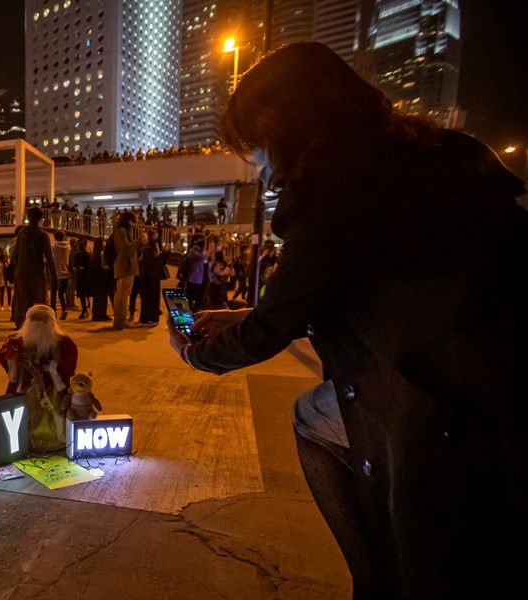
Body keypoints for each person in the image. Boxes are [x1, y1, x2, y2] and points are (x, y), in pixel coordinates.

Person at [167, 42, 527, 599]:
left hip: (446, 399)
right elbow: (375, 293)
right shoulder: (432, 155)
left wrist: (196, 352)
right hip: (501, 371)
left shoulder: (335, 189)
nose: (261, 162)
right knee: (319, 411)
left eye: (259, 144)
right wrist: (249, 312)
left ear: (285, 125)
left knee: (318, 425)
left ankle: (374, 576)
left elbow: (270, 331)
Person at [0, 304, 78, 452]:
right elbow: (3, 356)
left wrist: (53, 368)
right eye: (35, 320)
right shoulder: (17, 340)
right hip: (24, 389)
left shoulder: (63, 342)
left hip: (52, 392)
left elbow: (70, 361)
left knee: (53, 416)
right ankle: (20, 440)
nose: (39, 324)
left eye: (43, 320)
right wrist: (12, 359)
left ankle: (49, 440)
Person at [10, 207, 56, 329]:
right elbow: (49, 258)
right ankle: (42, 327)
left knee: (22, 303)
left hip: (22, 274)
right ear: (41, 219)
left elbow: (15, 254)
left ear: (28, 218)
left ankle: (19, 327)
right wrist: (55, 278)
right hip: (37, 274)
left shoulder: (21, 233)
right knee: (41, 304)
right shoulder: (43, 234)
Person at [111, 212, 141, 330]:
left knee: (120, 294)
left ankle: (118, 321)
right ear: (128, 220)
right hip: (125, 266)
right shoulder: (122, 231)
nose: (134, 224)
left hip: (123, 266)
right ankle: (121, 321)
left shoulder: (120, 231)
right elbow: (127, 248)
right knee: (123, 295)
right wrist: (139, 241)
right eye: (133, 221)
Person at [137, 235, 170, 325]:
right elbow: (154, 262)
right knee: (149, 299)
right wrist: (163, 253)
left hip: (154, 277)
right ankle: (147, 318)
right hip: (148, 278)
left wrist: (166, 253)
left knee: (153, 298)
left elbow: (161, 263)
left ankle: (152, 317)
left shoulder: (154, 248)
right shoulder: (147, 249)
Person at [49, 230, 71, 320]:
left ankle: (53, 312)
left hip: (56, 273)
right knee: (62, 293)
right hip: (65, 273)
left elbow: (51, 258)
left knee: (53, 294)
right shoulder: (68, 247)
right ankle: (64, 309)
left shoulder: (53, 246)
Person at [73, 238, 92, 319]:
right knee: (86, 292)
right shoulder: (89, 254)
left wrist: (78, 268)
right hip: (87, 276)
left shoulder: (76, 255)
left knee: (81, 295)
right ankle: (86, 308)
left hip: (80, 276)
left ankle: (84, 309)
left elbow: (74, 266)